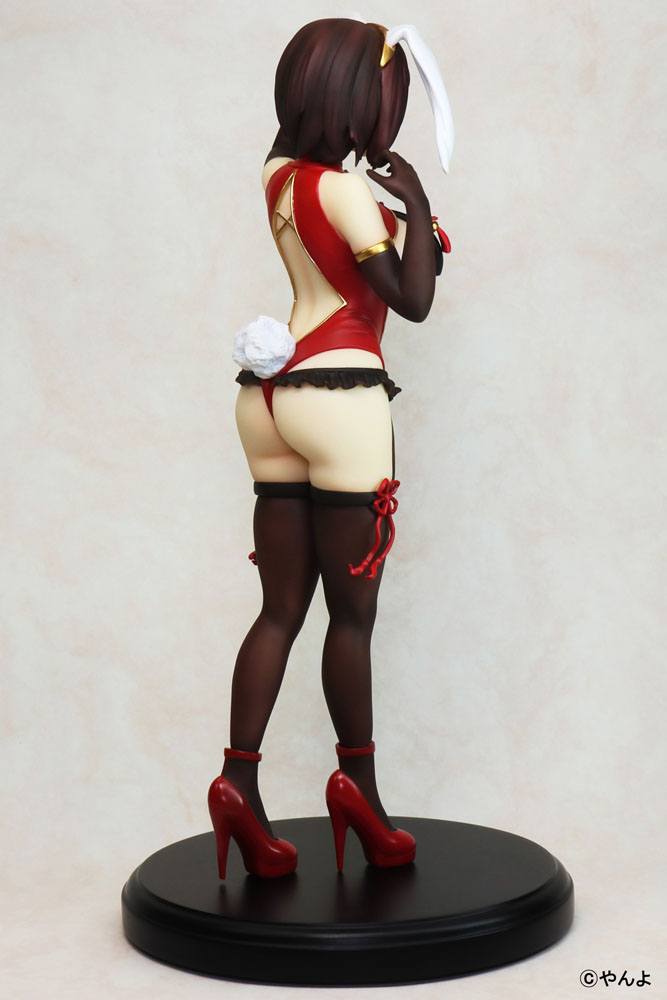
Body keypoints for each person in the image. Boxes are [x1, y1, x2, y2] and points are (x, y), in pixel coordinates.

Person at [208, 17, 454, 878]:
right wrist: (415, 206)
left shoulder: (276, 173)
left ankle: (237, 785)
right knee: (351, 617)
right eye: (386, 100)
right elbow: (411, 301)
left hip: (267, 396)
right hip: (339, 393)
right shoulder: (346, 192)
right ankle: (360, 795)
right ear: (356, 99)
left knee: (279, 610)